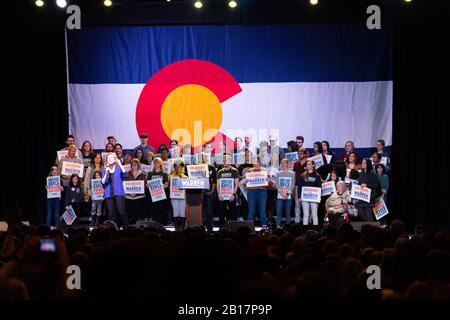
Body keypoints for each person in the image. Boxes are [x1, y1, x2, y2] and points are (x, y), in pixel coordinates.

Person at [101, 153, 129, 229]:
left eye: (111, 158)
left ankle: (127, 229)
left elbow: (125, 174)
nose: (109, 159)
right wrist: (106, 173)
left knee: (121, 212)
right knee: (111, 214)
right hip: (108, 194)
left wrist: (119, 163)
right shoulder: (104, 169)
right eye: (108, 158)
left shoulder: (118, 168)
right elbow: (103, 182)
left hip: (119, 192)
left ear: (115, 159)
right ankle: (114, 230)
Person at [243, 157, 273, 227]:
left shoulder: (265, 170)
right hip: (251, 192)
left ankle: (264, 228)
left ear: (259, 162)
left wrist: (269, 180)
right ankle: (249, 228)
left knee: (262, 211)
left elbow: (270, 183)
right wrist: (245, 181)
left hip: (262, 192)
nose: (255, 163)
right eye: (254, 161)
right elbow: (244, 182)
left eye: (257, 161)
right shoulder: (249, 170)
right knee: (251, 211)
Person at [297, 160, 322, 226]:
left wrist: (319, 197)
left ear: (313, 165)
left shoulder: (317, 176)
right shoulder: (302, 176)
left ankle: (315, 229)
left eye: (309, 164)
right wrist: (299, 197)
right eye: (307, 164)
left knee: (314, 214)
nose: (308, 166)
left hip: (314, 198)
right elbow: (300, 187)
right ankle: (305, 230)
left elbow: (319, 187)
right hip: (304, 198)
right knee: (306, 214)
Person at [216, 155, 240, 227]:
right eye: (223, 160)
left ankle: (234, 229)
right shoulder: (220, 171)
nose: (224, 161)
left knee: (233, 213)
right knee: (222, 213)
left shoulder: (234, 171)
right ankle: (221, 229)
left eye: (226, 160)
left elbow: (236, 184)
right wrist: (219, 194)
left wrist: (233, 194)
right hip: (222, 196)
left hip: (231, 196)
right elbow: (218, 185)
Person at [198, 152, 217, 233]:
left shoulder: (211, 167)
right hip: (198, 192)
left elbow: (214, 181)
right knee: (199, 212)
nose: (202, 159)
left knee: (209, 212)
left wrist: (212, 191)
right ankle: (199, 229)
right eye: (200, 157)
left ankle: (210, 229)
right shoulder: (195, 167)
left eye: (203, 157)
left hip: (208, 192)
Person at [147, 157, 169, 225]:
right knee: (153, 212)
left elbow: (166, 185)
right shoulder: (150, 174)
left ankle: (161, 226)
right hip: (153, 196)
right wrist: (149, 185)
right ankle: (153, 226)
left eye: (158, 162)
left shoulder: (164, 174)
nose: (156, 164)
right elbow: (147, 185)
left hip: (161, 196)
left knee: (161, 212)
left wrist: (162, 185)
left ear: (160, 164)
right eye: (155, 162)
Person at [124, 159, 147, 224]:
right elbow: (124, 183)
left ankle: (136, 229)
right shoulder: (127, 173)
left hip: (139, 197)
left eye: (136, 164)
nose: (134, 165)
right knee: (128, 213)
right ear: (131, 165)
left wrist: (137, 192)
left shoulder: (142, 174)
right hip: (128, 197)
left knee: (136, 214)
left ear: (138, 165)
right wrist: (129, 192)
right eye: (133, 164)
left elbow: (144, 185)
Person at [276, 159, 296, 226]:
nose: (283, 164)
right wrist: (282, 194)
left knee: (288, 213)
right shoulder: (278, 173)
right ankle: (278, 227)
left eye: (284, 163)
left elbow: (292, 185)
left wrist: (286, 194)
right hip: (280, 195)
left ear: (288, 164)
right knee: (279, 212)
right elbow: (277, 185)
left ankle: (288, 228)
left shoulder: (292, 173)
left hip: (289, 196)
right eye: (282, 163)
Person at [170, 159, 187, 230]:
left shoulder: (185, 177)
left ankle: (182, 229)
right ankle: (176, 229)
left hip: (183, 197)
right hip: (174, 197)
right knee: (175, 212)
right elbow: (168, 186)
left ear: (182, 168)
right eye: (176, 167)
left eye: (179, 167)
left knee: (182, 212)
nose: (177, 168)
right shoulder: (171, 177)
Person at [293, 147, 308, 223]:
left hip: (306, 187)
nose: (299, 155)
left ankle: (307, 222)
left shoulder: (309, 163)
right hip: (297, 186)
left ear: (305, 154)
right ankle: (297, 222)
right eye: (298, 154)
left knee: (306, 206)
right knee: (297, 205)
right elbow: (294, 175)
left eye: (301, 153)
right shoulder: (296, 163)